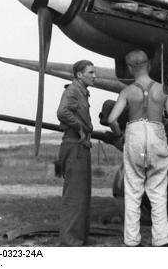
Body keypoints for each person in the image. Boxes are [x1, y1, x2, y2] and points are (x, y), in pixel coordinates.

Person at [107, 50, 168, 247]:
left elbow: (112, 119)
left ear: (130, 68)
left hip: (135, 134)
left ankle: (132, 240)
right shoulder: (164, 90)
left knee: (133, 190)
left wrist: (119, 135)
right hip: (156, 133)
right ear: (149, 65)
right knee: (158, 190)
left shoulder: (127, 92)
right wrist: (161, 123)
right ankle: (161, 240)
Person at [56, 59, 97, 246]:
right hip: (74, 146)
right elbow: (63, 112)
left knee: (81, 194)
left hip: (79, 146)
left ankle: (77, 238)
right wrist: (80, 126)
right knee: (74, 195)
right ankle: (70, 241)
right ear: (79, 75)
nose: (94, 76)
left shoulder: (81, 92)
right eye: (91, 73)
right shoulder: (73, 91)